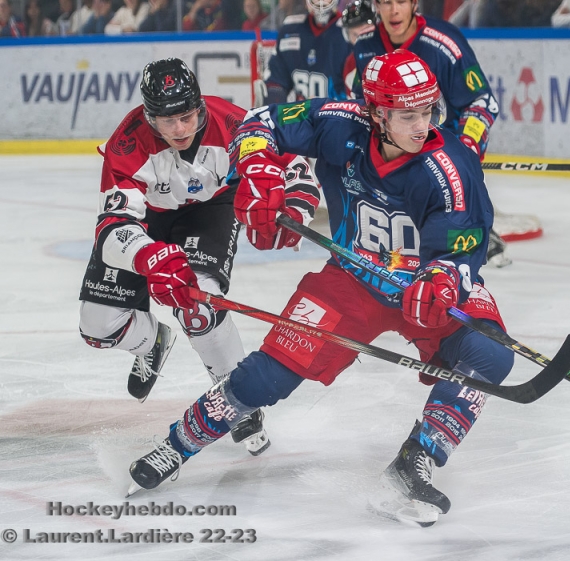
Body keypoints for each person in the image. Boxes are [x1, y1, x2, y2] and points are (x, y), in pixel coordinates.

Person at [128, 50, 515, 528]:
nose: (422, 125)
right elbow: (257, 123)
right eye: (408, 114)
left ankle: (418, 456)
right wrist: (260, 171)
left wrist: (443, 277)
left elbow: (465, 243)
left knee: (491, 355)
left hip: (421, 287)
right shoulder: (338, 123)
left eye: (428, 111)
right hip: (350, 281)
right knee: (266, 378)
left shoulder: (450, 168)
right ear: (376, 113)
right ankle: (177, 444)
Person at [78, 58, 315, 457]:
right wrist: (148, 256)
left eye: (187, 117)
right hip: (145, 222)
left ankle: (238, 399)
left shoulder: (233, 123)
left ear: (200, 105)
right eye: (167, 121)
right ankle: (151, 342)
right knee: (97, 327)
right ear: (148, 115)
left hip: (209, 210)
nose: (180, 129)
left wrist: (293, 208)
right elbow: (112, 227)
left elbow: (291, 166)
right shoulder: (128, 142)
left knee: (200, 305)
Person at [351, 0, 511, 266]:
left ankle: (471, 227)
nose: (393, 11)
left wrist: (466, 148)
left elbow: (481, 102)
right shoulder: (365, 43)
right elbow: (362, 102)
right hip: (391, 147)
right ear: (375, 5)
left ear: (414, 3)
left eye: (401, 1)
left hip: (437, 151)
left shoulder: (445, 43)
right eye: (385, 2)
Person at [256, 0, 351, 105]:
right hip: (303, 116)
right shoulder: (290, 29)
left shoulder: (350, 31)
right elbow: (276, 82)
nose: (320, 1)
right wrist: (272, 105)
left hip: (340, 116)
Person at [340, 0, 376, 98]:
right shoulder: (350, 63)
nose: (361, 39)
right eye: (355, 35)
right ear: (347, 36)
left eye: (366, 31)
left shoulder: (392, 48)